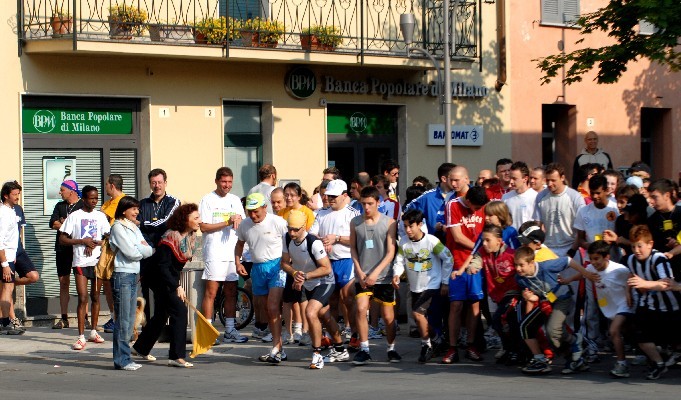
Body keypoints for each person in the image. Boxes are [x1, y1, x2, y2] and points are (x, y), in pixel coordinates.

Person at [133, 203, 200, 368]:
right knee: (180, 310)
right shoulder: (169, 238)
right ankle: (176, 356)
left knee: (162, 313)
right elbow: (162, 267)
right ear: (185, 220)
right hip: (158, 278)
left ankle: (141, 347)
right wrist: (176, 285)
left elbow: (175, 266)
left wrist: (175, 282)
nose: (200, 221)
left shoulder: (189, 237)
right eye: (196, 218)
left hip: (169, 277)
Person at [280, 210, 348, 368]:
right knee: (324, 315)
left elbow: (326, 268)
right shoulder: (286, 238)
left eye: (295, 229)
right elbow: (284, 263)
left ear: (304, 227)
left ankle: (316, 354)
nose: (292, 232)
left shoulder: (313, 242)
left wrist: (305, 276)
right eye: (289, 228)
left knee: (310, 312)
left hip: (324, 281)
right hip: (308, 281)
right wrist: (295, 273)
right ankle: (340, 349)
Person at [513, 247, 597, 375]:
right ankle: (569, 358)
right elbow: (537, 295)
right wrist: (530, 297)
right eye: (516, 265)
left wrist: (586, 274)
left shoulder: (545, 267)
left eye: (521, 265)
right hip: (546, 302)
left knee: (553, 330)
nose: (518, 269)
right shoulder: (520, 278)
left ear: (531, 263)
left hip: (562, 298)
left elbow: (568, 260)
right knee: (528, 326)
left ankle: (576, 340)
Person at [392, 209, 453, 363]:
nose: (407, 230)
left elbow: (448, 258)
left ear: (420, 224)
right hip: (415, 287)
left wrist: (445, 282)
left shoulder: (432, 241)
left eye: (411, 226)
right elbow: (399, 261)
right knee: (422, 318)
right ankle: (437, 339)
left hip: (432, 286)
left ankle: (426, 345)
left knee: (418, 315)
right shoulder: (404, 242)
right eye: (405, 226)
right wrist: (397, 274)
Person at [235, 193, 288, 363]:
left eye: (256, 211)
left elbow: (291, 241)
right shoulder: (245, 224)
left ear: (265, 207)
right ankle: (279, 347)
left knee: (273, 307)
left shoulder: (277, 222)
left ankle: (276, 348)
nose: (253, 215)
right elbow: (239, 244)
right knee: (266, 309)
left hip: (277, 267)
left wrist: (290, 263)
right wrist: (238, 262)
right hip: (257, 268)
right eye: (249, 211)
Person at [350, 186, 399, 365]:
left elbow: (391, 251)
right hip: (362, 276)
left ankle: (391, 347)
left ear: (378, 203)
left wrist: (376, 273)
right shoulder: (355, 222)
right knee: (362, 309)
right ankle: (364, 349)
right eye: (363, 204)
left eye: (370, 203)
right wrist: (360, 271)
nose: (367, 208)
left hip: (383, 276)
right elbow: (353, 248)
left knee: (388, 317)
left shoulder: (389, 222)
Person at [625, 225, 681, 380]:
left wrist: (645, 284)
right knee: (639, 336)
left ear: (650, 244)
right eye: (633, 246)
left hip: (670, 307)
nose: (636, 250)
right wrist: (627, 292)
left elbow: (667, 284)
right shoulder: (631, 259)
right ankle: (659, 363)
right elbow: (631, 275)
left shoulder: (659, 259)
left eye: (640, 246)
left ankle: (670, 351)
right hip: (648, 304)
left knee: (674, 339)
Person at [199, 167, 248, 343]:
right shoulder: (207, 200)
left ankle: (229, 329)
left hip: (232, 252)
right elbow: (203, 226)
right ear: (217, 181)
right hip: (214, 252)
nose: (227, 185)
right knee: (211, 292)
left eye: (229, 182)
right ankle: (209, 332)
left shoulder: (235, 200)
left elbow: (242, 223)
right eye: (223, 182)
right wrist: (226, 221)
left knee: (231, 291)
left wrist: (238, 221)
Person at [58, 185, 110, 350]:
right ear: (84, 199)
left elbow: (108, 239)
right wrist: (82, 241)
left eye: (96, 198)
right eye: (91, 198)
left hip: (96, 262)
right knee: (82, 297)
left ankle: (93, 331)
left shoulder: (101, 216)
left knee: (95, 297)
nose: (94, 201)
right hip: (80, 261)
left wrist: (94, 243)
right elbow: (63, 239)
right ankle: (81, 336)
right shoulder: (75, 216)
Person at [309, 179, 360, 348]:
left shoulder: (352, 214)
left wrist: (337, 238)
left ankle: (355, 335)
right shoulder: (321, 214)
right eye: (327, 195)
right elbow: (312, 235)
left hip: (346, 260)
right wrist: (324, 241)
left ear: (344, 195)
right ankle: (333, 335)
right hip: (327, 263)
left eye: (333, 196)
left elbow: (358, 238)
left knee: (348, 298)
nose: (330, 199)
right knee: (330, 301)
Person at [443, 186, 488, 363]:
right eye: (475, 207)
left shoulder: (484, 205)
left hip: (476, 264)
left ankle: (471, 344)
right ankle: (452, 347)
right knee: (456, 305)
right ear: (467, 200)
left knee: (475, 305)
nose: (477, 211)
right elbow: (458, 237)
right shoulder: (453, 205)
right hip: (457, 262)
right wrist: (480, 248)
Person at [109, 196, 153, 371]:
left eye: (137, 208)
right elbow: (131, 253)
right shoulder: (118, 227)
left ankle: (124, 357)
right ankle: (122, 359)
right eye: (133, 208)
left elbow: (147, 248)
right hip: (123, 275)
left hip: (134, 274)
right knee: (124, 321)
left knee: (130, 320)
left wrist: (140, 248)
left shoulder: (133, 227)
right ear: (124, 210)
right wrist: (140, 249)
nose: (137, 212)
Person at [582, 240, 634, 378]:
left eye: (596, 259)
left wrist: (628, 292)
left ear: (607, 257)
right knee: (629, 333)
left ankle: (622, 364)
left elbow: (631, 276)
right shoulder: (591, 269)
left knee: (613, 331)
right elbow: (584, 273)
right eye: (591, 259)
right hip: (609, 308)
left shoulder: (619, 269)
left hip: (624, 305)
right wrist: (568, 280)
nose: (593, 262)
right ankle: (647, 352)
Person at [138, 169, 180, 321]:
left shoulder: (173, 202)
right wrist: (149, 246)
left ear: (165, 183)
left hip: (165, 255)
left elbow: (166, 222)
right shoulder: (142, 204)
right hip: (147, 254)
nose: (157, 186)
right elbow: (138, 229)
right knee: (146, 291)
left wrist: (144, 224)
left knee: (164, 291)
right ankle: (148, 326)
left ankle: (164, 325)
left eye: (160, 182)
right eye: (153, 183)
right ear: (150, 184)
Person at [278, 182, 315, 344]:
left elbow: (309, 235)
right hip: (288, 261)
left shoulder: (307, 212)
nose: (289, 197)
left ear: (299, 196)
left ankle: (305, 331)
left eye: (292, 195)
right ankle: (289, 332)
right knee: (287, 298)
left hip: (304, 261)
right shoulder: (282, 213)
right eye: (286, 194)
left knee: (303, 298)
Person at [0, 181, 39, 335]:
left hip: (14, 252)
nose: (17, 197)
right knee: (7, 287)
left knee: (12, 284)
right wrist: (4, 264)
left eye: (18, 194)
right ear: (6, 195)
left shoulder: (12, 211)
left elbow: (14, 235)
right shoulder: (3, 213)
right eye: (14, 195)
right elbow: (0, 239)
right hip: (6, 256)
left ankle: (6, 323)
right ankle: (5, 323)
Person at [49, 179, 84, 329]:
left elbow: (83, 226)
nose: (60, 192)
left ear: (71, 191)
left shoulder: (83, 205)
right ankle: (64, 318)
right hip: (62, 249)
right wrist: (67, 224)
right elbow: (53, 223)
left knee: (81, 284)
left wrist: (63, 223)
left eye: (62, 190)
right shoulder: (59, 205)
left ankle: (85, 317)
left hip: (79, 250)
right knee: (64, 282)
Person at [533, 163, 585, 257]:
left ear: (562, 178)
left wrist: (573, 250)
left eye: (553, 180)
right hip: (548, 248)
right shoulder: (541, 196)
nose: (549, 184)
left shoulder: (575, 197)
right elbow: (537, 225)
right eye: (547, 180)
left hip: (570, 247)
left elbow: (581, 229)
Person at [99, 174, 126, 333]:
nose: (105, 187)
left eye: (106, 184)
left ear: (112, 186)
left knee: (118, 283)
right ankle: (114, 316)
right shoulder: (107, 203)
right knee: (107, 283)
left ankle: (120, 317)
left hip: (118, 249)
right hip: (106, 248)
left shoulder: (124, 201)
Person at [405, 163, 457, 244]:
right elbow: (407, 210)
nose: (456, 181)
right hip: (434, 247)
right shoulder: (427, 197)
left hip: (457, 246)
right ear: (444, 179)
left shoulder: (461, 195)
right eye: (454, 178)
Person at [646, 179, 681, 277]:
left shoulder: (679, 213)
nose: (651, 201)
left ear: (667, 195)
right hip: (663, 270)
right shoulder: (652, 220)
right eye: (650, 198)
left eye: (655, 197)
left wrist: (677, 245)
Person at [502, 161, 537, 230]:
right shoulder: (505, 198)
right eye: (510, 178)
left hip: (528, 239)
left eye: (514, 179)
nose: (511, 182)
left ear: (525, 179)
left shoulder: (535, 197)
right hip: (511, 239)